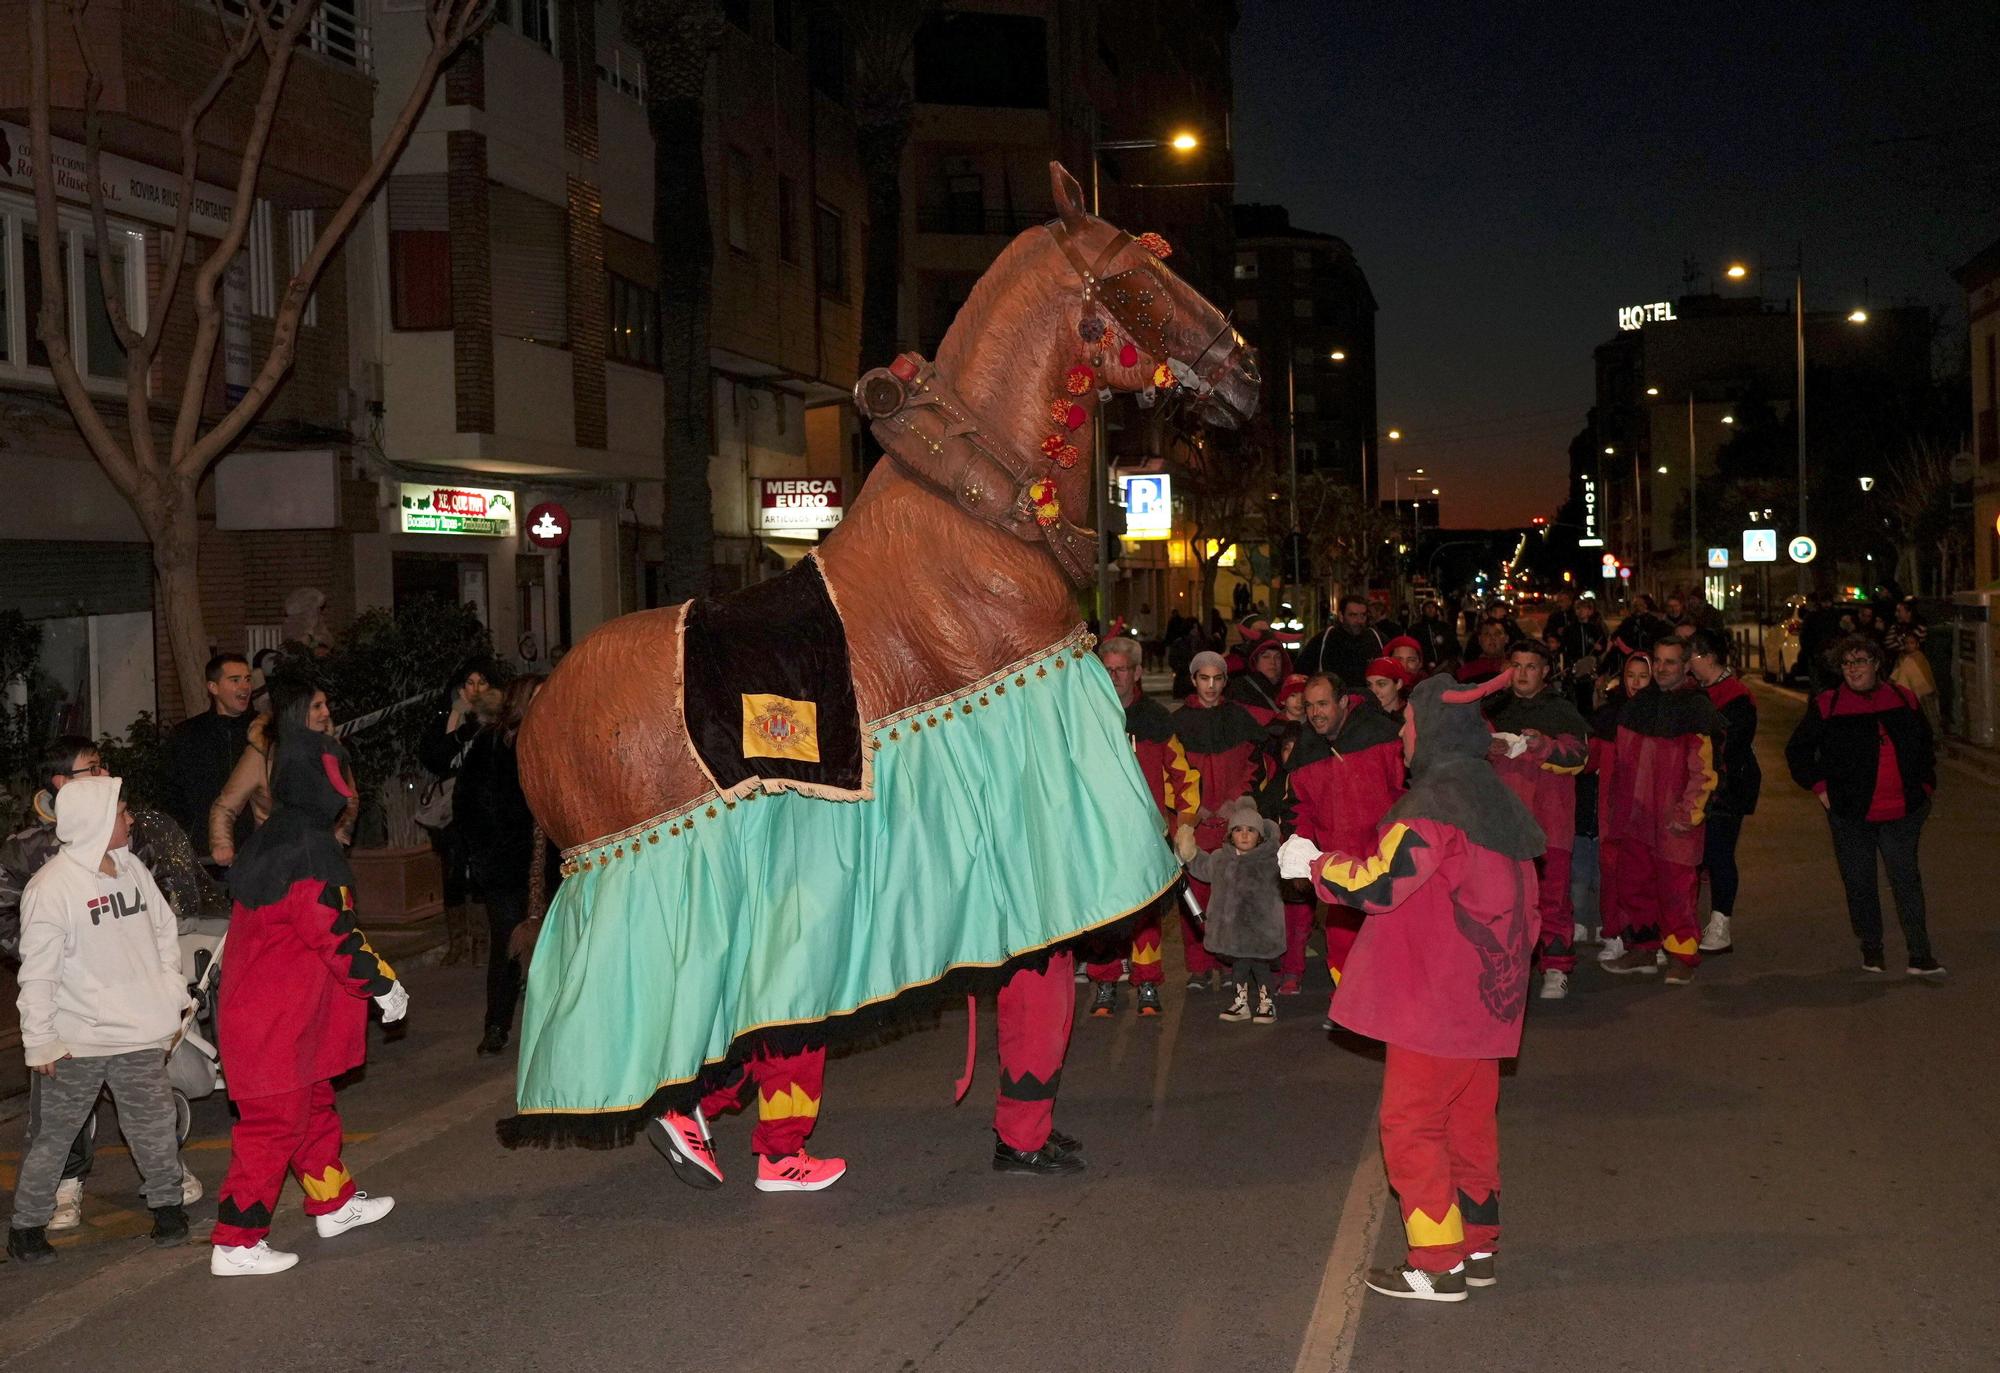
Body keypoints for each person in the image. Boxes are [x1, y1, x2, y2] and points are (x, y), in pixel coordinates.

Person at [1280, 671, 1542, 1302]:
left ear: (1431, 731)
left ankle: (1436, 1263)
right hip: (1488, 1001)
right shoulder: (1493, 801)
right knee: (1469, 1124)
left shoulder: (1433, 807)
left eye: (1408, 724)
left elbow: (1378, 882)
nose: (1401, 735)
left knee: (1412, 1125)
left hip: (1437, 1002)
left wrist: (1310, 864)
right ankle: (1476, 1245)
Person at [209, 718, 408, 1276]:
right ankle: (236, 1242)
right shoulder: (307, 845)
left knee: (313, 1107)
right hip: (276, 1021)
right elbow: (334, 932)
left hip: (283, 1016)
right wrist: (381, 984)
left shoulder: (279, 836)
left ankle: (335, 1204)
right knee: (274, 1127)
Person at [1, 737, 206, 1233]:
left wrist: (169, 991)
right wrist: (40, 1040)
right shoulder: (51, 887)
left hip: (137, 1034)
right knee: (55, 1138)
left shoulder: (132, 868)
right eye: (122, 812)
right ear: (95, 819)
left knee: (154, 1129)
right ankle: (27, 1228)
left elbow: (161, 929)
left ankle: (167, 1211)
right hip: (78, 1043)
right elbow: (37, 971)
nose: (131, 820)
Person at [1784, 635, 1942, 976]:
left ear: (1876, 664)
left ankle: (1920, 954)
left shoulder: (1902, 698)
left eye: (1860, 661)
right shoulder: (1828, 704)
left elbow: (1925, 745)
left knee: (1906, 881)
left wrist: (1925, 786)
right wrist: (1821, 787)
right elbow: (1798, 751)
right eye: (1846, 663)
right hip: (1851, 814)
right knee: (1860, 881)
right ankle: (1872, 947)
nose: (1853, 669)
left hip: (1903, 812)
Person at [1084, 638, 1198, 1018]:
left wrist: (1185, 825)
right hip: (1100, 835)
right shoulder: (1087, 716)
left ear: (1136, 673)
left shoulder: (1155, 719)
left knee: (1147, 914)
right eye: (1108, 669)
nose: (1114, 676)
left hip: (1147, 836)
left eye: (1121, 669)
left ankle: (1147, 979)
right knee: (1104, 914)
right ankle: (1104, 982)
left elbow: (1183, 777)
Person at [1599, 638, 1721, 985]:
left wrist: (1687, 814)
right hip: (1635, 818)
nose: (1664, 668)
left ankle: (1681, 954)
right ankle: (1644, 948)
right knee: (1634, 883)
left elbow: (1705, 772)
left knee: (1677, 891)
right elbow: (1622, 764)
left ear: (1685, 666)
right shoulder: (1635, 707)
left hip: (1674, 820)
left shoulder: (1696, 709)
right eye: (1659, 661)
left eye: (1671, 662)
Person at [1285, 673, 1406, 992]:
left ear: (1342, 702)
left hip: (1386, 866)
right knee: (1340, 943)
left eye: (1323, 704)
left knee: (1393, 940)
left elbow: (1407, 796)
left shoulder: (1383, 737)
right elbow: (1300, 810)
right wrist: (1301, 858)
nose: (1315, 713)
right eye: (1309, 706)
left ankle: (1390, 1006)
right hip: (1338, 869)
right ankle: (1351, 1006)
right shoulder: (1306, 750)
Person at [1483, 641, 1589, 1000]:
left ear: (1545, 670)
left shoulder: (1561, 710)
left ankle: (1556, 967)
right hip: (1503, 824)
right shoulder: (1494, 707)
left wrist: (1542, 744)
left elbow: (1578, 758)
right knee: (1504, 902)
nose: (1523, 674)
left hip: (1549, 822)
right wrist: (1487, 746)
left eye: (1531, 666)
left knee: (1552, 898)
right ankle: (1509, 969)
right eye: (1517, 666)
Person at [454, 674, 552, 1055]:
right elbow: (468, 803)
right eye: (539, 698)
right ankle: (497, 1024)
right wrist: (485, 855)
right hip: (505, 866)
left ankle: (549, 1027)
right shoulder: (493, 743)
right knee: (507, 946)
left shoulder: (556, 741)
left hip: (551, 866)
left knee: (552, 947)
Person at [1173, 651, 1274, 991]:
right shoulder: (1178, 722)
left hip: (1233, 824)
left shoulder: (1240, 719)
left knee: (1233, 899)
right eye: (1204, 678)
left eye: (1217, 679)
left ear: (1225, 681)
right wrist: (1191, 806)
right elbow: (1170, 772)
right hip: (1196, 824)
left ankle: (1232, 962)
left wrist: (1236, 802)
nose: (1211, 686)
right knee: (1193, 897)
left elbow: (1254, 764)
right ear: (1193, 680)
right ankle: (1199, 967)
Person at [209, 679, 356, 865]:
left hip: (322, 860)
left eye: (325, 705)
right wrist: (222, 845)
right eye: (317, 706)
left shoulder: (331, 751)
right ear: (296, 711)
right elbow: (225, 806)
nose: (326, 712)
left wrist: (336, 839)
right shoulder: (261, 754)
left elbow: (349, 798)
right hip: (276, 861)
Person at [418, 658, 495, 965]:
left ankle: (481, 942)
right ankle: (458, 943)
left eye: (482, 682)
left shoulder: (496, 717)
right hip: (451, 805)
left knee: (480, 872)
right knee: (452, 872)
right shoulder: (449, 716)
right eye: (469, 683)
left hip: (485, 803)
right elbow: (435, 758)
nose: (475, 689)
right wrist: (460, 727)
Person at [1180, 797, 1285, 1025]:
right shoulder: (1221, 859)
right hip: (1234, 932)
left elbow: (1289, 875)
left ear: (1260, 836)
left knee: (1261, 969)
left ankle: (1267, 1004)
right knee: (1238, 969)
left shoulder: (1271, 860)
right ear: (1230, 835)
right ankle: (1241, 1003)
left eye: (1251, 830)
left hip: (1261, 931)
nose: (1245, 835)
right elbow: (1202, 868)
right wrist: (1190, 852)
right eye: (1238, 830)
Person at [1687, 631, 1760, 955]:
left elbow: (1731, 745)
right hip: (1703, 784)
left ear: (1707, 657)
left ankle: (1721, 923)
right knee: (1699, 856)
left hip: (1727, 787)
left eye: (1690, 657)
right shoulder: (1698, 691)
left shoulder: (1736, 696)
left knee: (1718, 854)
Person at [1585, 653, 1650, 962]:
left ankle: (1649, 936)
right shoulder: (1610, 715)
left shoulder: (1661, 714)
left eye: (1643, 676)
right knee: (1612, 870)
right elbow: (1589, 758)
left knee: (1646, 872)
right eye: (1631, 676)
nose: (1636, 683)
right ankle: (1614, 932)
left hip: (1647, 809)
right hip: (1613, 808)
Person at [162, 652, 255, 860]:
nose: (245, 687)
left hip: (257, 851)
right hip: (205, 852)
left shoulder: (264, 732)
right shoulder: (187, 734)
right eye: (235, 680)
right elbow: (172, 795)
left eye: (247, 679)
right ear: (213, 687)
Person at [1298, 595, 1387, 689]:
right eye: (1353, 615)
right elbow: (1301, 672)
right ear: (1341, 616)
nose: (1359, 620)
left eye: (1363, 615)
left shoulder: (1377, 638)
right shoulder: (1324, 639)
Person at [1885, 599, 1941, 736]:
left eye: (1900, 611)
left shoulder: (1919, 627)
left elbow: (1915, 642)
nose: (1896, 614)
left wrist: (1901, 644)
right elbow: (1888, 643)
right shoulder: (1896, 627)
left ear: (1909, 612)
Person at [1225, 637, 1292, 723]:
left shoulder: (1289, 689)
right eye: (1266, 657)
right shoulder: (1240, 689)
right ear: (1255, 661)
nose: (1273, 662)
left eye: (1277, 657)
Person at [1410, 601, 1460, 673]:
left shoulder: (1445, 627)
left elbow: (1454, 645)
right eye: (1428, 607)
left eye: (1433, 607)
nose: (1430, 609)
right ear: (1423, 610)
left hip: (1444, 667)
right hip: (1424, 668)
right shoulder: (1416, 629)